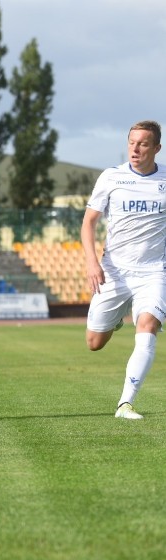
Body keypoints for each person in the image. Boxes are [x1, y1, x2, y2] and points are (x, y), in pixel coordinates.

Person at [81, 119, 166, 420]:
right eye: (132, 142)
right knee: (94, 342)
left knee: (148, 326)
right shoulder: (111, 177)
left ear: (157, 148)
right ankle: (116, 320)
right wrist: (92, 261)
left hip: (153, 271)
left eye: (143, 143)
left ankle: (125, 403)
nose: (135, 148)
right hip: (114, 270)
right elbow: (89, 222)